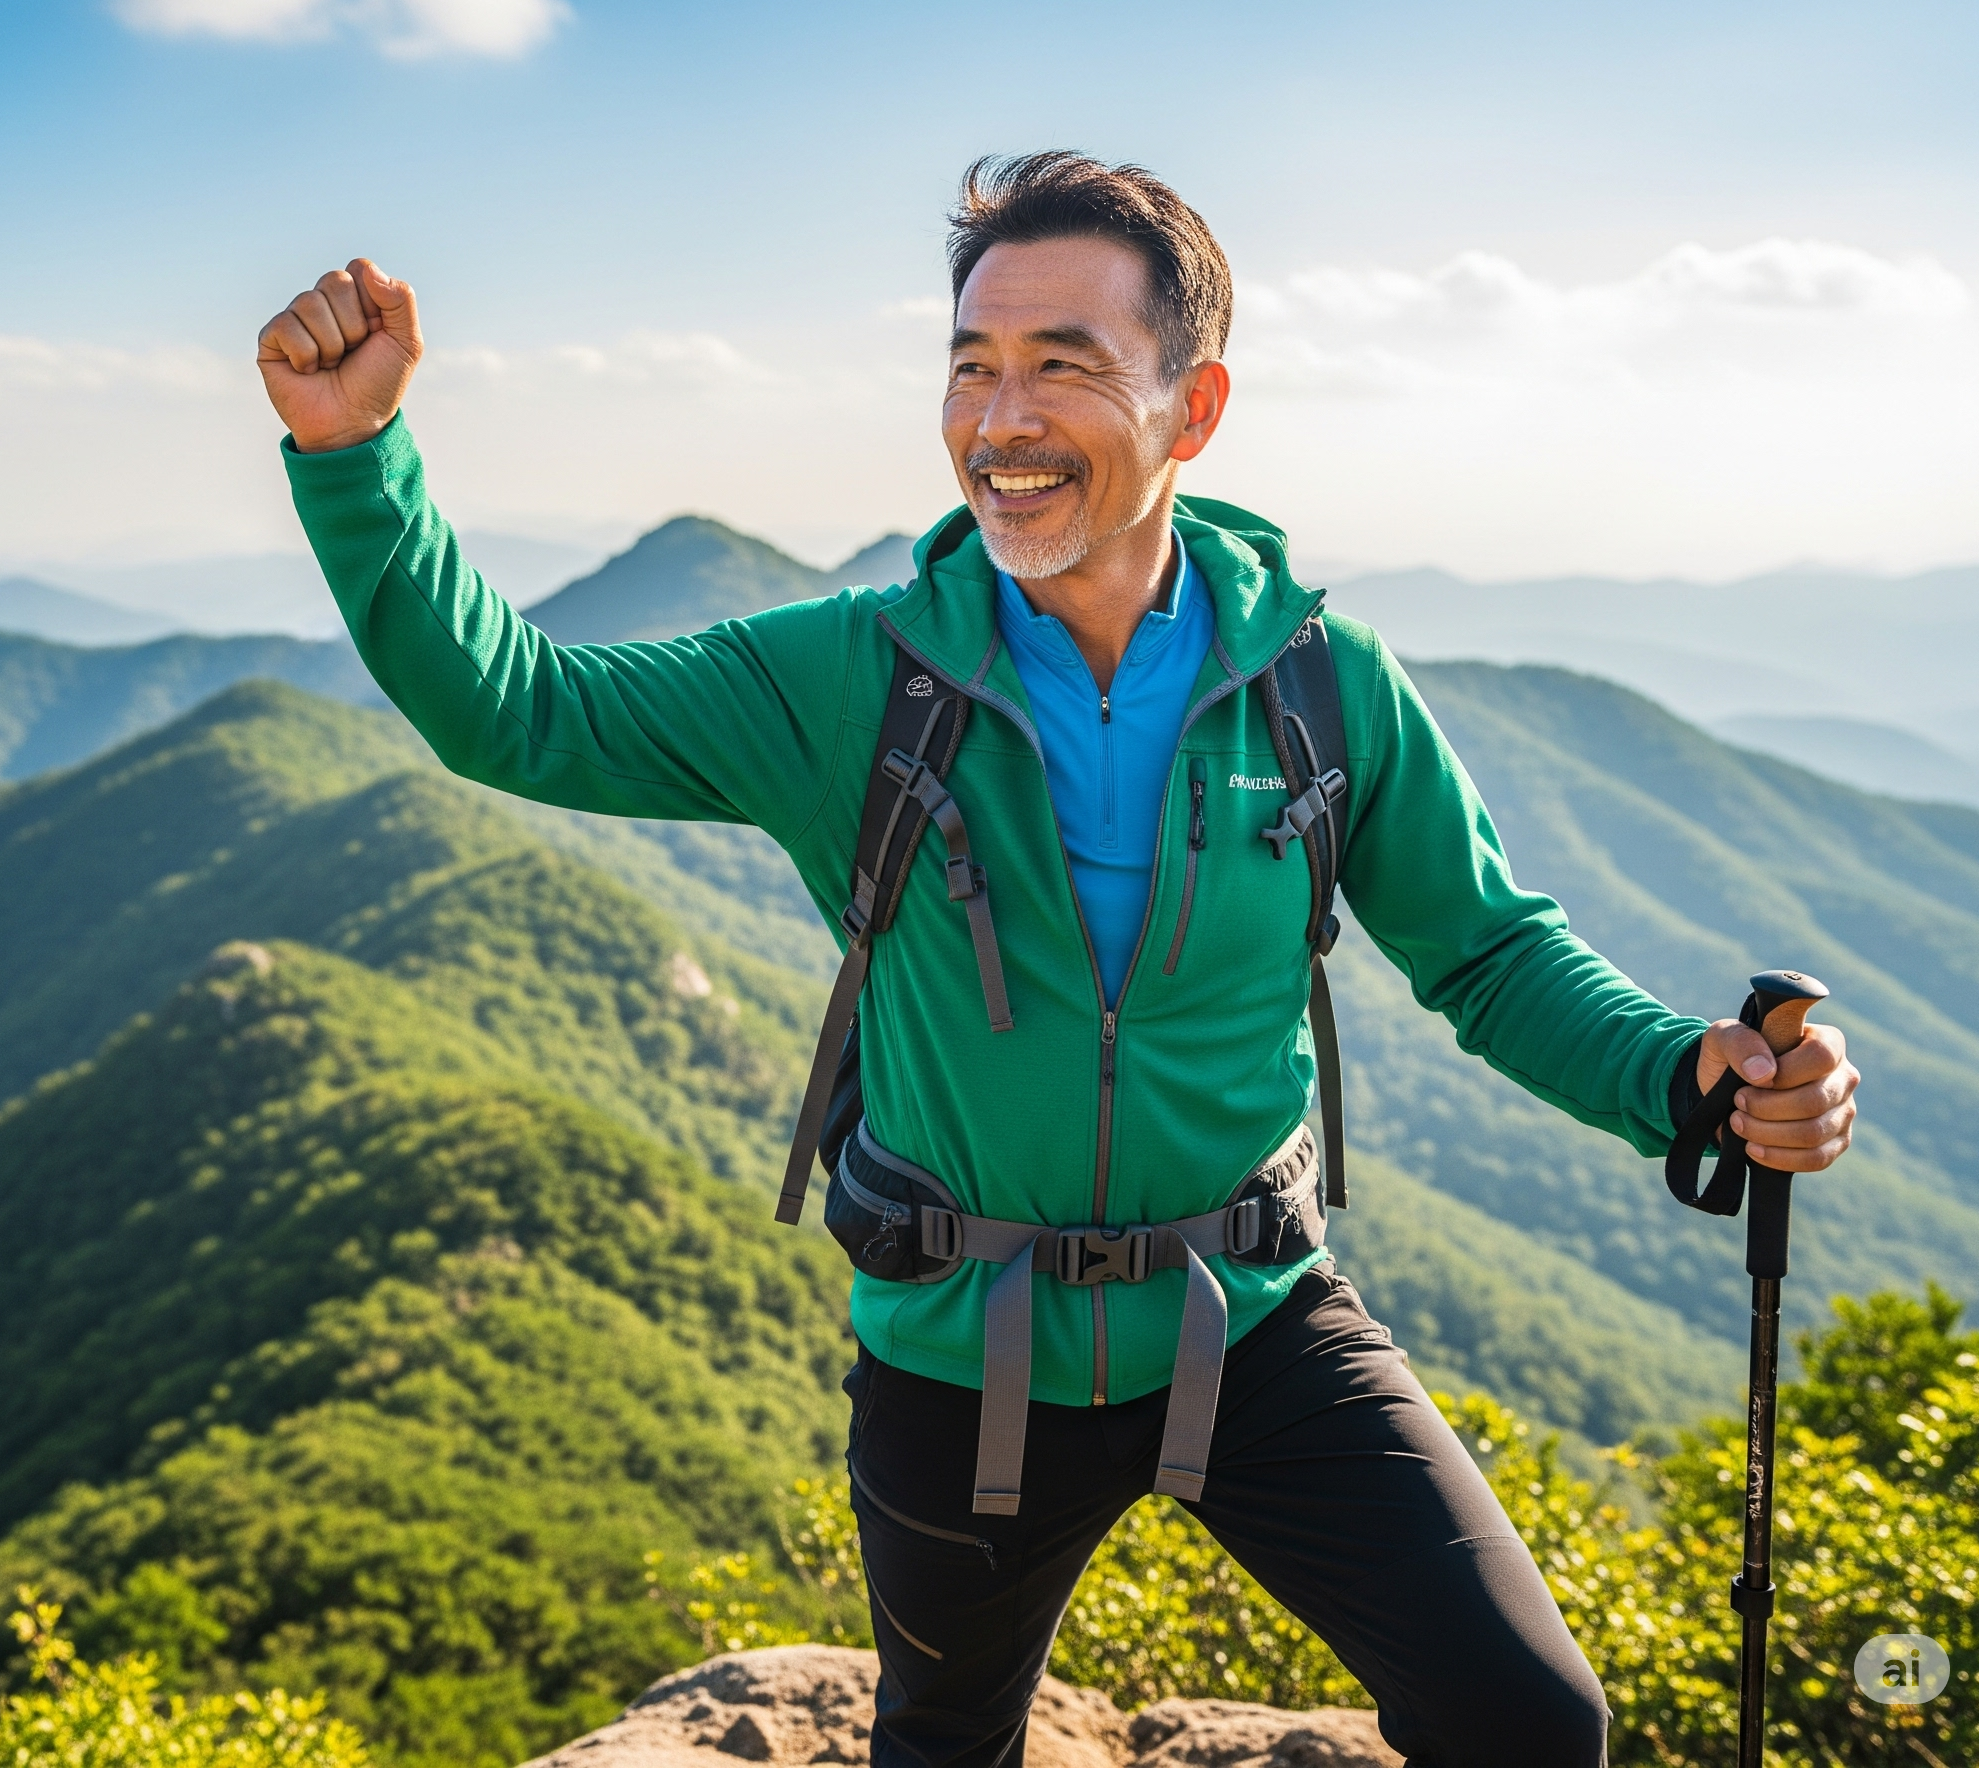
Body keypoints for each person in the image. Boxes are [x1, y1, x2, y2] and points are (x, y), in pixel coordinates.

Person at [256, 152, 1862, 1768]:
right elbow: (518, 709)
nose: (999, 421)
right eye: (972, 365)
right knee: (945, 1744)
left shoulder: (1319, 682)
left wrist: (1684, 1076)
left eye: (1064, 367)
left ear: (1197, 405)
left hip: (1252, 1318)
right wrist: (355, 456)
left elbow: (1494, 957)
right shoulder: (853, 679)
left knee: (1527, 1718)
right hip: (962, 1337)